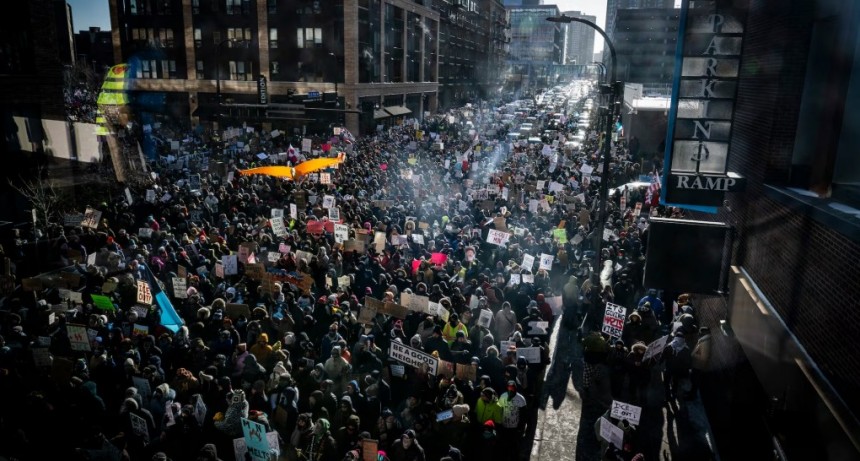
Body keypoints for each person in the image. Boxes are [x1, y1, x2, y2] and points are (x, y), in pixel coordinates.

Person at [497, 380, 527, 461]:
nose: (510, 390)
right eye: (509, 388)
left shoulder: (521, 399)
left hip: (515, 428)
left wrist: (521, 427)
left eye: (512, 388)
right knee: (504, 445)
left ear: (515, 388)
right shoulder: (503, 396)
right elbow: (499, 410)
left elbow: (524, 415)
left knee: (514, 446)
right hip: (504, 426)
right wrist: (499, 423)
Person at [686, 326, 712, 400]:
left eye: (700, 333)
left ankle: (692, 396)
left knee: (695, 381)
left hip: (699, 366)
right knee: (693, 380)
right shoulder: (704, 340)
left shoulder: (705, 343)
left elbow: (704, 357)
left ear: (704, 333)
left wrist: (694, 354)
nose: (699, 334)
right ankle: (691, 393)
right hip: (697, 364)